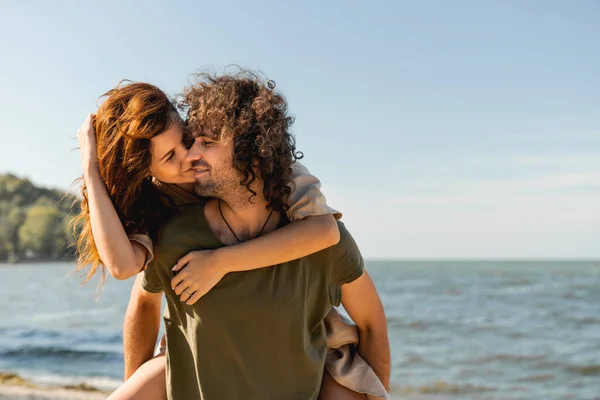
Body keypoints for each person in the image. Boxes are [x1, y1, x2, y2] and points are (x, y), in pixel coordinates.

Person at [74, 78, 389, 399]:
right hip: (199, 355)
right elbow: (125, 270)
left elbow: (325, 232)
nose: (190, 154)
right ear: (147, 172)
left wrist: (220, 262)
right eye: (170, 157)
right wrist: (91, 170)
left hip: (294, 347)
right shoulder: (160, 208)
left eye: (188, 138)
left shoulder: (279, 174)